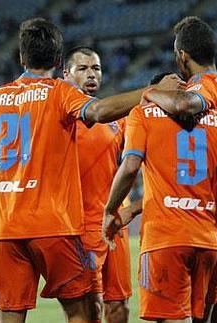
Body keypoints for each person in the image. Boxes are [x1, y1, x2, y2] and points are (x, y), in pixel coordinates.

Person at [0, 18, 183, 323]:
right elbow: (99, 111)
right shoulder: (60, 93)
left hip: (6, 230)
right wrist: (152, 90)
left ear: (22, 58)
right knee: (83, 311)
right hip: (53, 225)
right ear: (59, 61)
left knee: (9, 314)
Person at [102, 70, 217, 323]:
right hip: (206, 239)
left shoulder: (141, 115)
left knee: (172, 318)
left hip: (164, 237)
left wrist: (111, 209)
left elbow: (130, 166)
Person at [140, 17, 217, 323]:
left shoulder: (198, 91)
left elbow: (183, 108)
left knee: (201, 316)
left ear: (182, 55)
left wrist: (150, 91)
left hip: (212, 216)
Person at [63, 46, 132, 323]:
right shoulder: (59, 117)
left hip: (113, 222)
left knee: (120, 305)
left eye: (96, 68)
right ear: (66, 74)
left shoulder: (116, 118)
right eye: (83, 69)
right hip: (79, 226)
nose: (91, 74)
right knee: (89, 308)